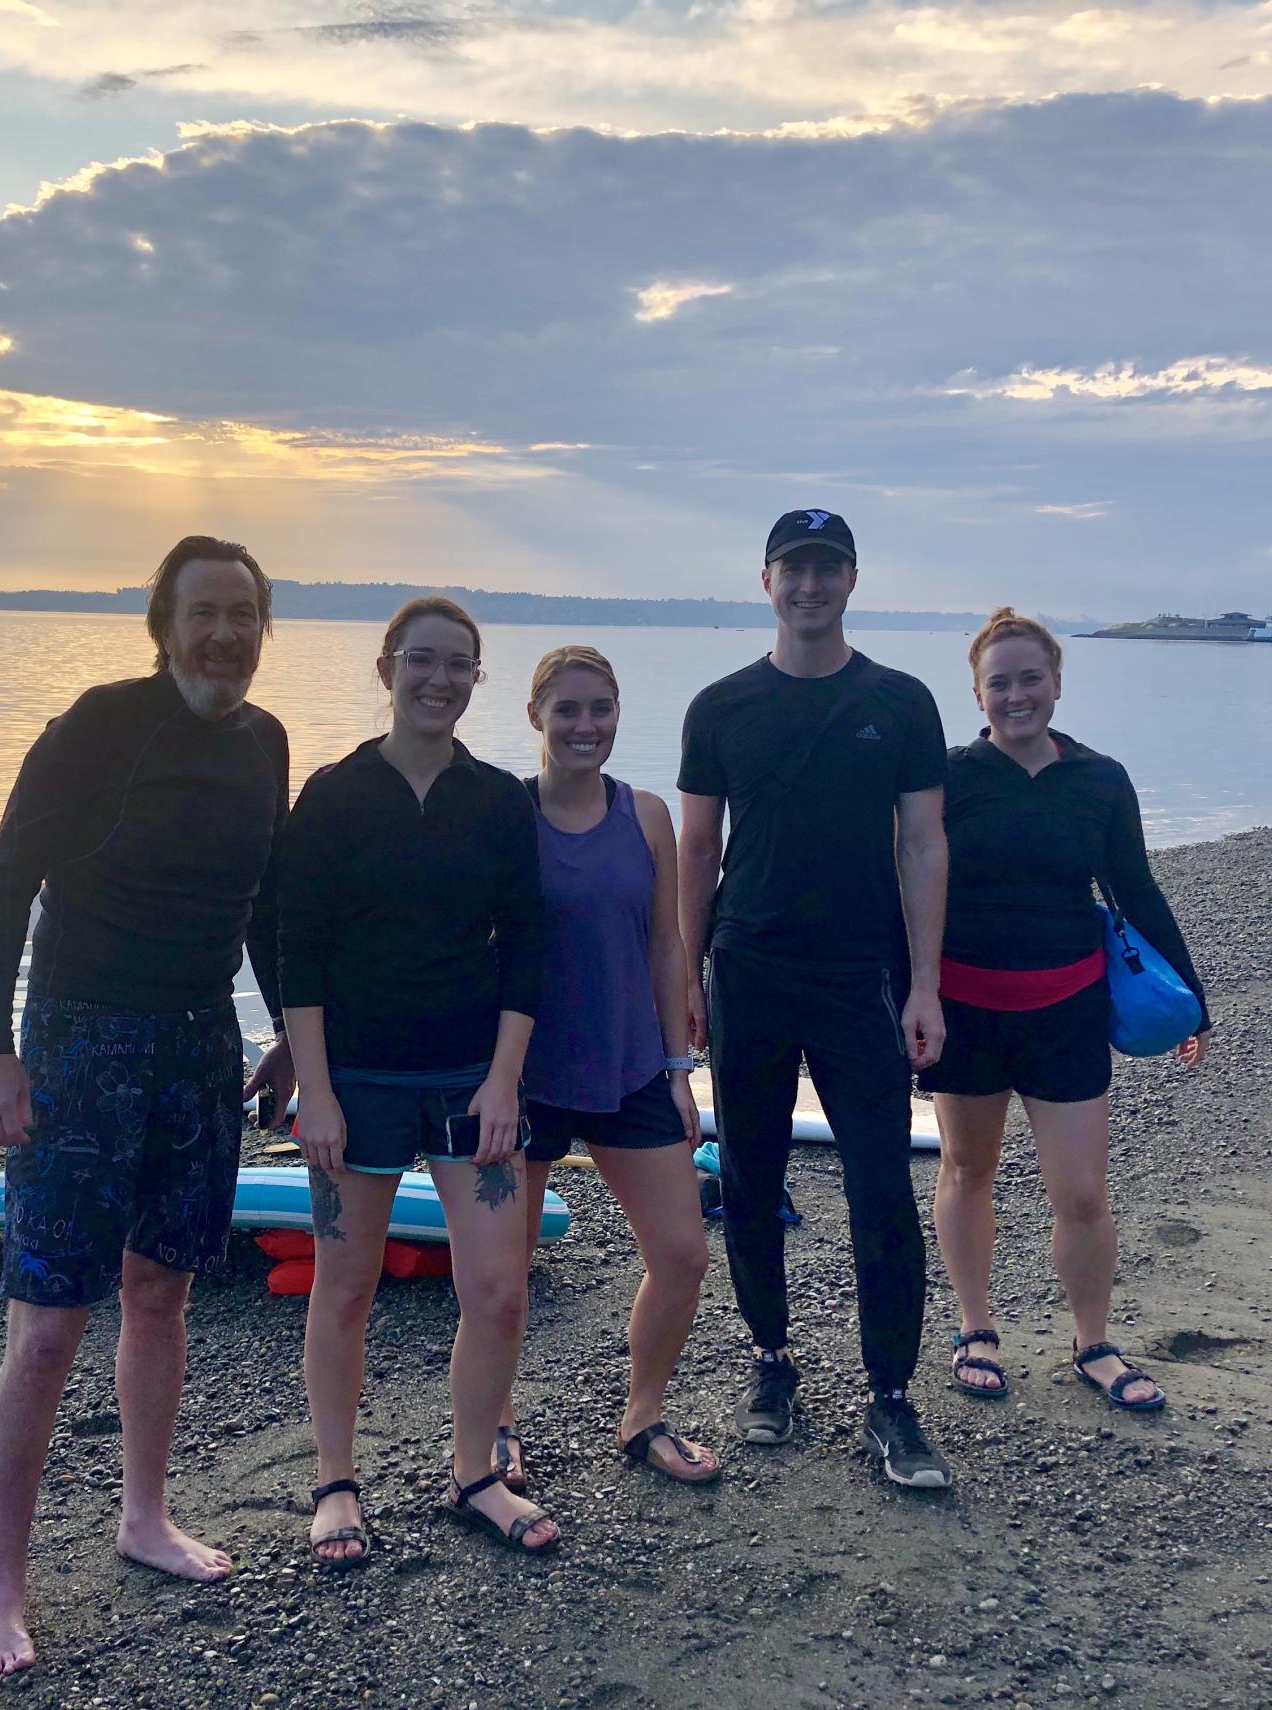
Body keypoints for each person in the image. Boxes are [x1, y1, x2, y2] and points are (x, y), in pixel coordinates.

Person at [0, 536, 296, 1675]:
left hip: (201, 1041)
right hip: (78, 1037)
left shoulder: (265, 742)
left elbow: (259, 904)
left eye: (242, 615)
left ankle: (143, 1517)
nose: (223, 636)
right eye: (203, 613)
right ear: (163, 624)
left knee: (162, 1293)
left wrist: (291, 1041)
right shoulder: (97, 726)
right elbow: (7, 882)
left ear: (263, 629)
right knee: (49, 1325)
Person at [676, 507, 956, 1490]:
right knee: (750, 1179)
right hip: (747, 967)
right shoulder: (720, 706)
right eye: (792, 568)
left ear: (850, 580)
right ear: (765, 581)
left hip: (860, 977)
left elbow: (923, 845)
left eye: (826, 568)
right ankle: (771, 1364)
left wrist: (924, 984)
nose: (809, 585)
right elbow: (698, 849)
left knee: (883, 1188)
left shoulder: (903, 702)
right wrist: (686, 975)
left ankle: (891, 1399)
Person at [282, 596, 559, 1564]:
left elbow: (527, 945)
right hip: (356, 1077)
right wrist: (313, 1091)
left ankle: (474, 1472)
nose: (438, 680)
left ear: (478, 680)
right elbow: (297, 953)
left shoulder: (496, 802)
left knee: (498, 1288)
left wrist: (503, 1081)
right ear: (387, 668)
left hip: (465, 1077)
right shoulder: (332, 793)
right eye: (421, 661)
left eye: (459, 665)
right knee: (345, 1285)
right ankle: (336, 1482)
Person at [923, 608, 1210, 1412]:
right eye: (1000, 683)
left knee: (1081, 1193)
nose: (1017, 696)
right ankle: (976, 1328)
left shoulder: (1100, 778)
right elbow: (903, 889)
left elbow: (1135, 888)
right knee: (968, 1169)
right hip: (966, 1012)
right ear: (978, 695)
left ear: (1057, 681)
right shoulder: (945, 779)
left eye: (1031, 679)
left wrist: (1194, 1002)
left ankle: (1093, 1342)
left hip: (1068, 1012)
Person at [492, 644, 718, 1489]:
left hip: (628, 1068)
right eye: (568, 711)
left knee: (684, 1253)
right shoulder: (505, 815)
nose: (586, 726)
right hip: (522, 1077)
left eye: (601, 710)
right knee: (501, 1276)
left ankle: (643, 1415)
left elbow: (666, 944)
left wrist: (677, 1067)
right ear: (536, 718)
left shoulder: (647, 814)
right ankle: (494, 1425)